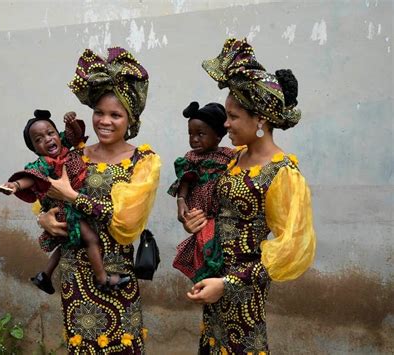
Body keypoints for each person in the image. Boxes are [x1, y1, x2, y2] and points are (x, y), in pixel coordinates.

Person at [183, 38, 316, 354]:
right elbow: (214, 211)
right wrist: (195, 221)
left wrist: (227, 285)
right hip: (214, 282)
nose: (225, 123)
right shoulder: (232, 159)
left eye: (233, 116)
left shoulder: (282, 173)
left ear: (261, 120)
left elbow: (289, 249)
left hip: (244, 293)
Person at [38, 47, 160, 353]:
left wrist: (73, 196)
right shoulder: (75, 155)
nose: (104, 121)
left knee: (121, 343)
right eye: (99, 113)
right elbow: (48, 196)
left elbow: (125, 219)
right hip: (74, 271)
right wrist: (46, 217)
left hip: (116, 270)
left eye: (115, 115)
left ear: (129, 118)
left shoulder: (142, 161)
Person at [0, 109, 129, 294]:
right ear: (34, 149)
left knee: (67, 242)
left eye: (50, 133)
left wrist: (72, 122)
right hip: (65, 209)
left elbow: (75, 134)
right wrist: (16, 185)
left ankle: (44, 274)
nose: (47, 139)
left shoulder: (64, 146)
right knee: (90, 238)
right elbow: (31, 178)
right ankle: (102, 278)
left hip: (74, 204)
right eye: (39, 139)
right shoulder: (44, 163)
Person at [168, 101, 233, 283]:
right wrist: (181, 200)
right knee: (203, 247)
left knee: (216, 251)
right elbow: (185, 180)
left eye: (201, 134)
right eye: (191, 134)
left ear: (218, 136)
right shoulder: (191, 157)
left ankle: (214, 281)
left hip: (219, 215)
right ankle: (205, 280)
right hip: (200, 215)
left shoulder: (229, 156)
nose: (194, 139)